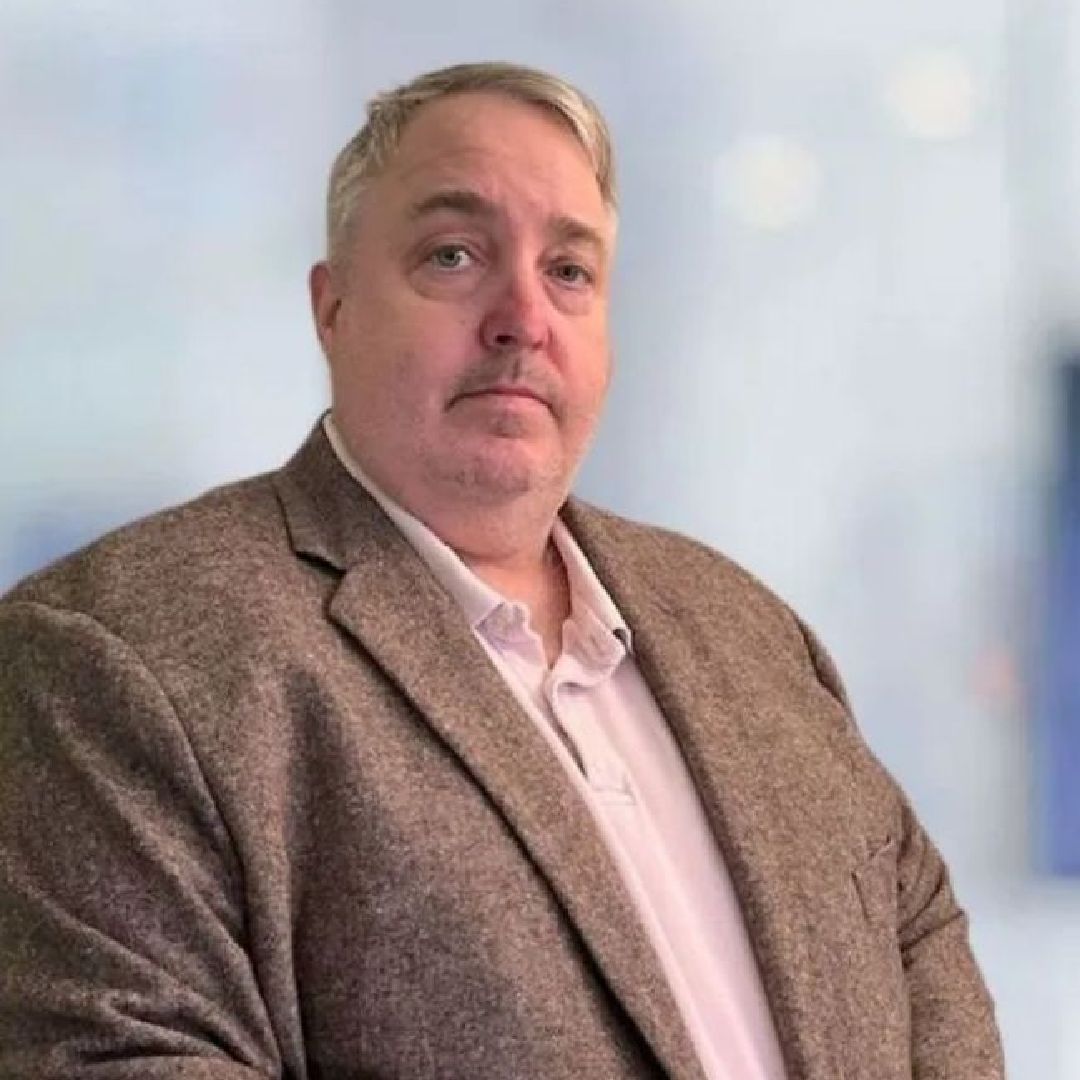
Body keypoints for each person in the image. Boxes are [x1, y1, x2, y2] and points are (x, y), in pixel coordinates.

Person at [0, 62, 1004, 1079]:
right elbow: (117, 1056)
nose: (524, 315)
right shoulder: (115, 655)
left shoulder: (745, 625)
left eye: (570, 271)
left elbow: (917, 927)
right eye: (454, 254)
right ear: (333, 307)